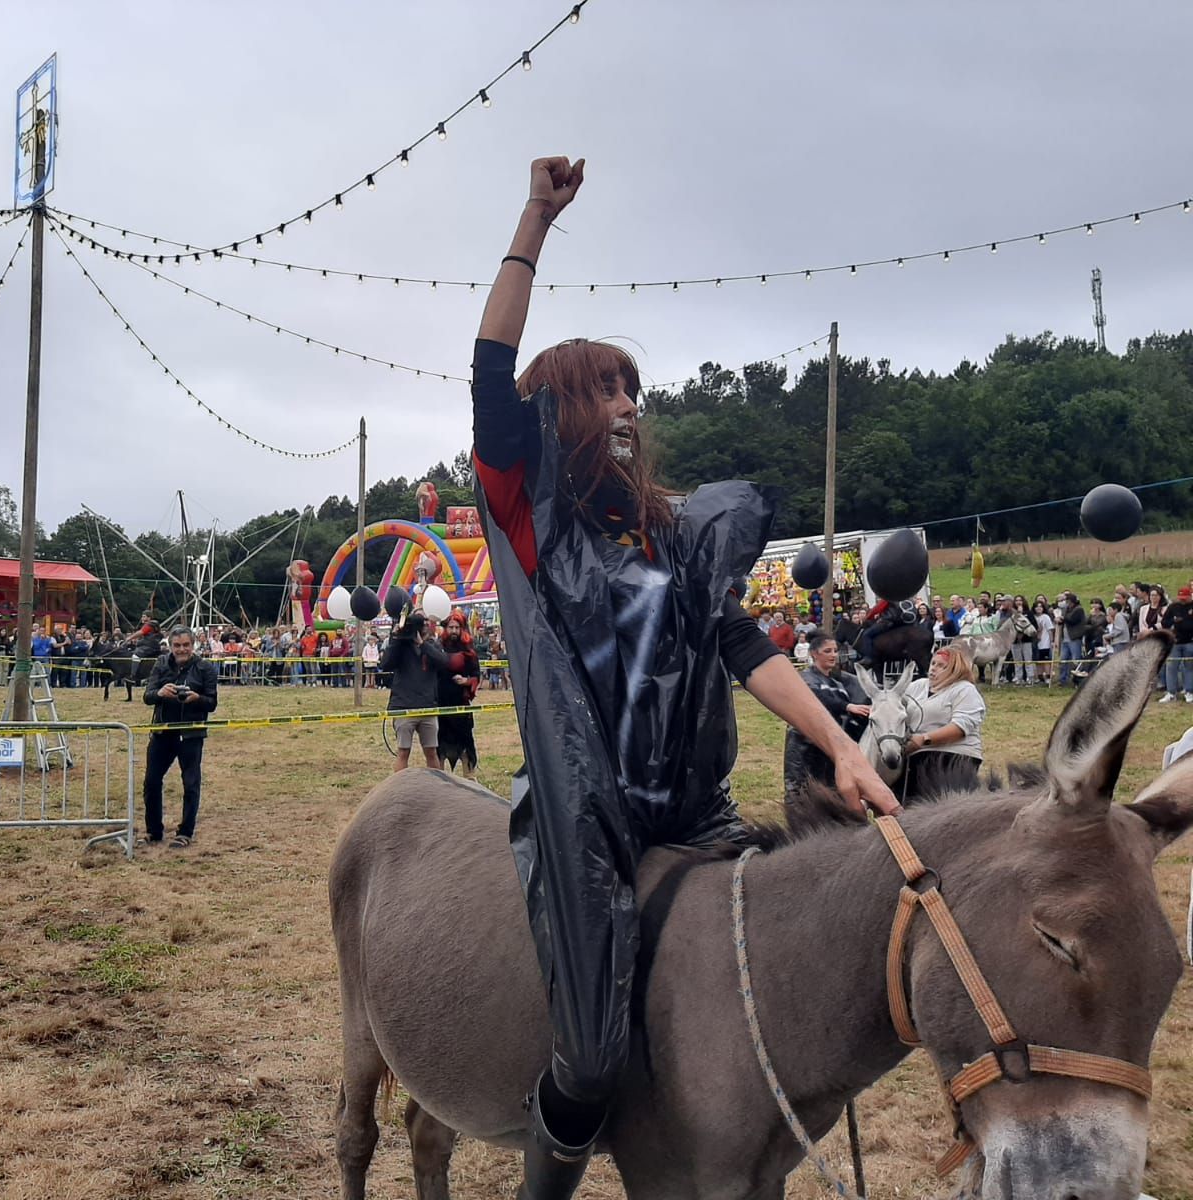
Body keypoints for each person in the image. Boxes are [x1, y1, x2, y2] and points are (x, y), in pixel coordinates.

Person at [471, 156, 896, 1195]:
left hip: (695, 810)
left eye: (629, 385)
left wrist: (840, 744)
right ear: (553, 409)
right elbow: (487, 370)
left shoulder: (671, 534)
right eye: (599, 385)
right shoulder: (528, 517)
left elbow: (739, 646)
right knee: (589, 1053)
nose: (623, 401)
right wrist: (534, 217)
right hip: (587, 820)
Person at [141, 626, 219, 847]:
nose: (181, 649)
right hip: (162, 732)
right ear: (170, 645)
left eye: (186, 645)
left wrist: (196, 698)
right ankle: (153, 831)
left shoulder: (205, 668)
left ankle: (185, 832)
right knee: (151, 782)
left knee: (190, 783)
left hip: (191, 734)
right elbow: (147, 696)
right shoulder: (161, 664)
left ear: (192, 645)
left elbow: (212, 703)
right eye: (177, 645)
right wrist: (160, 693)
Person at [782, 632, 870, 802]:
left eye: (835, 651)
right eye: (827, 651)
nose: (833, 655)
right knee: (800, 796)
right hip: (805, 748)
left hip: (831, 748)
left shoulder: (839, 683)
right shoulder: (806, 677)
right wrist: (847, 706)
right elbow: (816, 697)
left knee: (831, 794)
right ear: (814, 653)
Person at [900, 644, 986, 800]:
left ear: (954, 670)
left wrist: (923, 739)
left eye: (941, 666)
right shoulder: (917, 686)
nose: (933, 668)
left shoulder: (964, 690)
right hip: (916, 755)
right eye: (933, 663)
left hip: (954, 756)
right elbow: (895, 706)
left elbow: (960, 727)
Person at [380, 606, 449, 771]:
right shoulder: (400, 645)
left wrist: (422, 644)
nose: (422, 624)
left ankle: (436, 787)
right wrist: (396, 637)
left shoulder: (432, 645)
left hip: (427, 706)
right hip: (404, 706)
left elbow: (443, 662)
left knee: (432, 752)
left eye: (425, 620)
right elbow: (386, 664)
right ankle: (400, 789)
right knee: (403, 752)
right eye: (417, 621)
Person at [435, 611, 482, 778]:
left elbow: (476, 674)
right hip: (440, 702)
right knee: (439, 746)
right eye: (451, 627)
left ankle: (470, 780)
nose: (454, 631)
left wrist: (466, 681)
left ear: (461, 629)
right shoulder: (438, 647)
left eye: (457, 627)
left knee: (465, 745)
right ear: (446, 628)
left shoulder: (468, 650)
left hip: (460, 704)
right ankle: (438, 784)